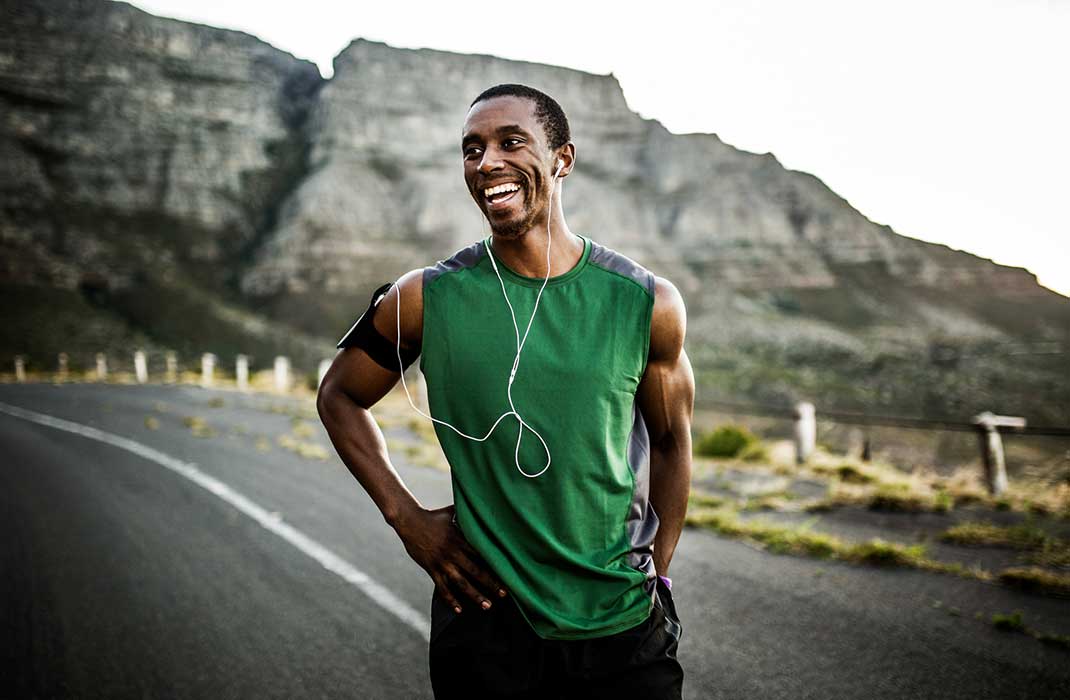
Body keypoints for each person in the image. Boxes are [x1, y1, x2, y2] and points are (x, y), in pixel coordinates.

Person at [317, 83, 694, 699]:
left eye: (509, 142)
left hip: (623, 626)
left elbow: (675, 441)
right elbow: (339, 396)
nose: (486, 162)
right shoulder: (423, 297)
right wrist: (406, 517)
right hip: (485, 623)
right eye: (471, 150)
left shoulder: (647, 302)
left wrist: (662, 575)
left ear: (562, 159)